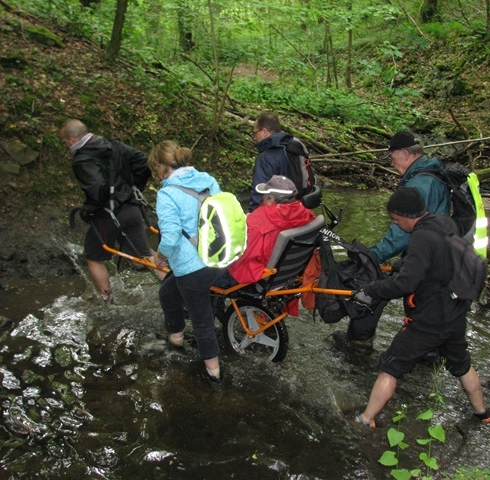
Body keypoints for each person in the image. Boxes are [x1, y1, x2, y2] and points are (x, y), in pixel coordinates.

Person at [353, 187, 490, 427]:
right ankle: (482, 413)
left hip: (430, 319)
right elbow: (435, 262)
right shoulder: (444, 222)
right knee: (462, 364)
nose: (397, 225)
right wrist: (404, 264)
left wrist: (371, 290)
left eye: (396, 220)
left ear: (406, 215)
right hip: (455, 310)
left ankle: (366, 419)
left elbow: (406, 283)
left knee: (390, 366)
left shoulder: (421, 236)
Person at [340, 130, 452, 347]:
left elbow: (400, 235)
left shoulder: (420, 185)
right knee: (424, 311)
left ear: (406, 154)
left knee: (378, 288)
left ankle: (360, 342)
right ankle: (427, 355)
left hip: (425, 258)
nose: (391, 164)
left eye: (392, 158)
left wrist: (370, 255)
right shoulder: (431, 174)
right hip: (437, 255)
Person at [60, 119, 162, 304]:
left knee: (92, 257)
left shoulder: (82, 160)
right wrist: (132, 189)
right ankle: (180, 291)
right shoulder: (113, 145)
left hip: (108, 215)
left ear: (73, 138)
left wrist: (90, 209)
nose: (65, 146)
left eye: (65, 141)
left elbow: (97, 188)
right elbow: (141, 162)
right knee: (146, 254)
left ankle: (108, 302)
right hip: (132, 209)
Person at [148, 141, 224, 384]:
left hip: (193, 268)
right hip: (222, 258)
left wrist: (158, 258)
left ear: (162, 167)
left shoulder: (167, 193)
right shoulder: (207, 180)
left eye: (155, 169)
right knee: (168, 293)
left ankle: (214, 375)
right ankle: (176, 339)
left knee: (202, 320)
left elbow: (169, 237)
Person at [226, 175, 317, 285]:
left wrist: (244, 225)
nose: (262, 197)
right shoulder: (307, 213)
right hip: (289, 273)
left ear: (271, 200)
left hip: (257, 274)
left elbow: (240, 256)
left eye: (264, 195)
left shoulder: (257, 222)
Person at [249, 111, 306, 212]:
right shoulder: (294, 146)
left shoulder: (266, 158)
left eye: (255, 132)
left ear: (264, 131)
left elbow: (259, 192)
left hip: (278, 214)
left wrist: (253, 215)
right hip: (299, 207)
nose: (254, 137)